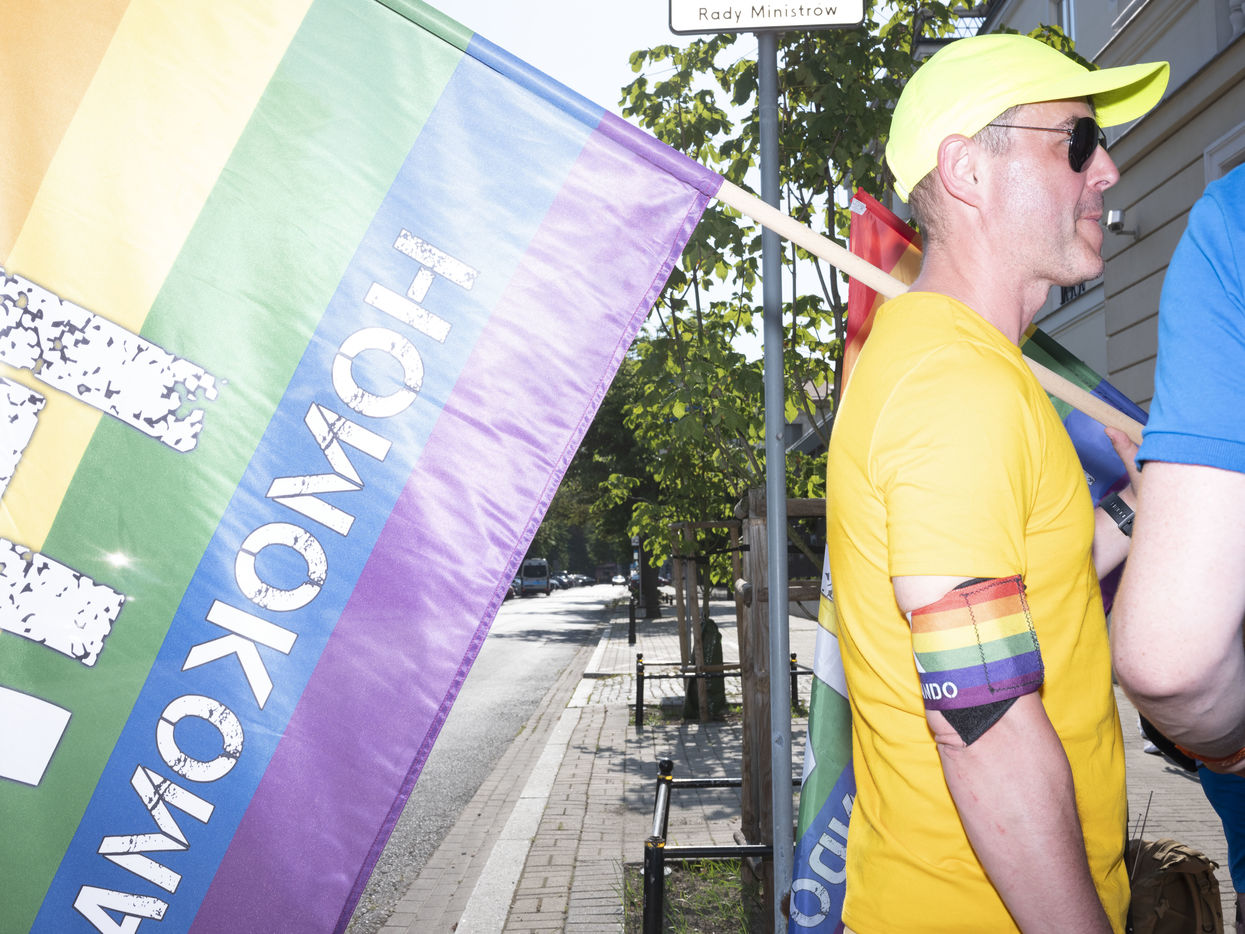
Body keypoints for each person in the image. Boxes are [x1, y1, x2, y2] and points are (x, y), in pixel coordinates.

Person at [825, 33, 1168, 933]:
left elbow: (1026, 592)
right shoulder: (957, 387)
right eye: (1077, 142)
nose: (1107, 170)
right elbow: (980, 720)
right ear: (966, 170)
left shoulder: (958, 364)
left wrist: (1135, 507)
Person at [1112, 163, 1245, 931]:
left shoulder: (1231, 220)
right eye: (1079, 143)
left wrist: (1226, 750)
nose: (1105, 170)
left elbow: (1171, 663)